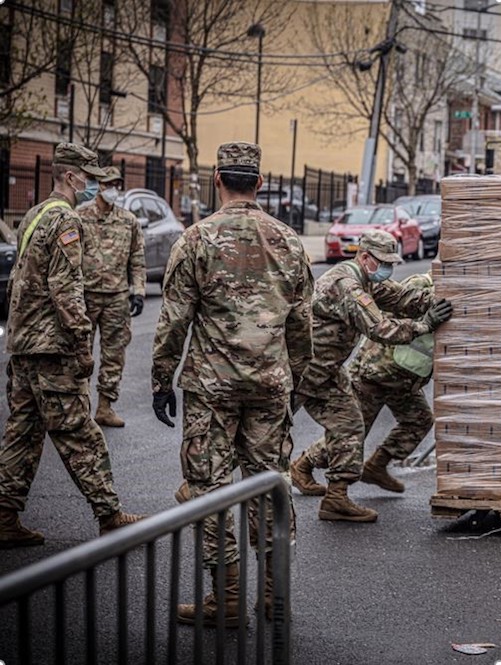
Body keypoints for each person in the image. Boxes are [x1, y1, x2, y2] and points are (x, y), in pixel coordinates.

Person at [151, 142, 313, 626]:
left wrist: (162, 379)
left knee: (212, 489)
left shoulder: (196, 240)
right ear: (259, 183)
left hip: (211, 389)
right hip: (270, 386)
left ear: (217, 178)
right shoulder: (289, 241)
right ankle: (273, 596)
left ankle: (226, 601)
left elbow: (174, 321)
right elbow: (303, 325)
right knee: (271, 487)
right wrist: (295, 382)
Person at [0, 143, 144, 548]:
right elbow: (65, 286)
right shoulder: (65, 218)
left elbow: (18, 283)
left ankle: (5, 515)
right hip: (51, 348)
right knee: (80, 432)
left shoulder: (34, 214)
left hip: (25, 345)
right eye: (87, 176)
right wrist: (82, 343)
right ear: (69, 176)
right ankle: (110, 514)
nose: (91, 184)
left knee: (23, 432)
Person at [289, 230, 452, 522]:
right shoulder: (347, 286)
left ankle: (336, 498)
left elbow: (401, 297)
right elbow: (381, 329)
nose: (388, 268)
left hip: (327, 371)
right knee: (265, 434)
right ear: (365, 257)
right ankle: (209, 490)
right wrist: (424, 325)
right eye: (383, 262)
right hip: (305, 372)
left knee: (350, 425)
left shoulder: (366, 281)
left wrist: (442, 300)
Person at [349, 271, 436, 493]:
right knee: (351, 433)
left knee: (419, 420)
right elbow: (387, 323)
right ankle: (306, 465)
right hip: (378, 371)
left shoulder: (450, 296)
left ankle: (376, 466)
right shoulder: (418, 283)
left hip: (403, 377)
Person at [77, 166, 146, 427]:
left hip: (117, 297)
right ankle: (80, 409)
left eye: (117, 185)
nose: (113, 190)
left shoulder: (129, 221)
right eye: (108, 185)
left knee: (114, 354)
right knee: (81, 353)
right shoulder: (80, 217)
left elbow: (137, 260)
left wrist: (138, 292)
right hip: (85, 295)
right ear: (98, 186)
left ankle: (104, 407)